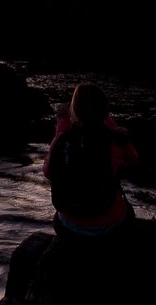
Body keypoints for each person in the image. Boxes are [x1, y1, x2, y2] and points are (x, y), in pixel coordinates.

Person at [45, 83, 138, 238]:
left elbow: (48, 173)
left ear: (74, 111)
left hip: (70, 225)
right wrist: (111, 125)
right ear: (105, 111)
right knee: (129, 213)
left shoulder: (62, 140)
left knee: (57, 218)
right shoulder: (116, 137)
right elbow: (133, 160)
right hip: (110, 223)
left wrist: (61, 126)